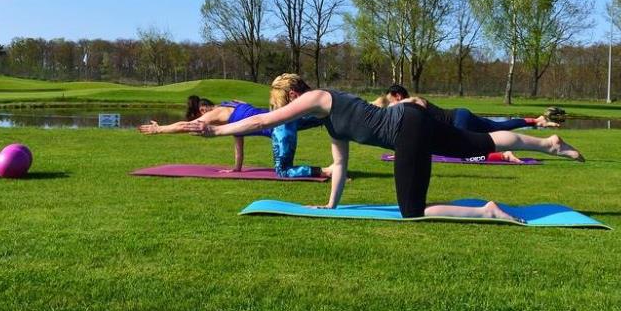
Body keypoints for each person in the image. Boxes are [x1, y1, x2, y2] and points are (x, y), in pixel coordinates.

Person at [185, 74, 585, 223]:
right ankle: (549, 142)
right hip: (411, 123)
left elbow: (261, 122)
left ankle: (488, 211)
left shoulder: (318, 97)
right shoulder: (331, 116)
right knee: (477, 145)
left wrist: (216, 133)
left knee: (412, 210)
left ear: (292, 93)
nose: (283, 109)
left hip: (406, 128)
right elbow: (339, 163)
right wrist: (332, 205)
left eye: (284, 101)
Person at [139, 99, 329, 178]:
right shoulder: (235, 108)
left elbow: (185, 126)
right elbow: (239, 143)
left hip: (280, 129)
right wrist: (237, 168)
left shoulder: (216, 113)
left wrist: (159, 129)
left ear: (207, 108)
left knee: (283, 171)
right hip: (285, 116)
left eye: (203, 112)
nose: (202, 116)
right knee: (325, 115)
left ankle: (328, 171)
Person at [375, 84, 559, 132]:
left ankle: (505, 153)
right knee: (497, 127)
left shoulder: (413, 101)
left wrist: (393, 106)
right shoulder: (408, 107)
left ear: (398, 96)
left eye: (392, 100)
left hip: (458, 122)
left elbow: (418, 104)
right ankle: (537, 121)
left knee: (481, 141)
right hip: (460, 115)